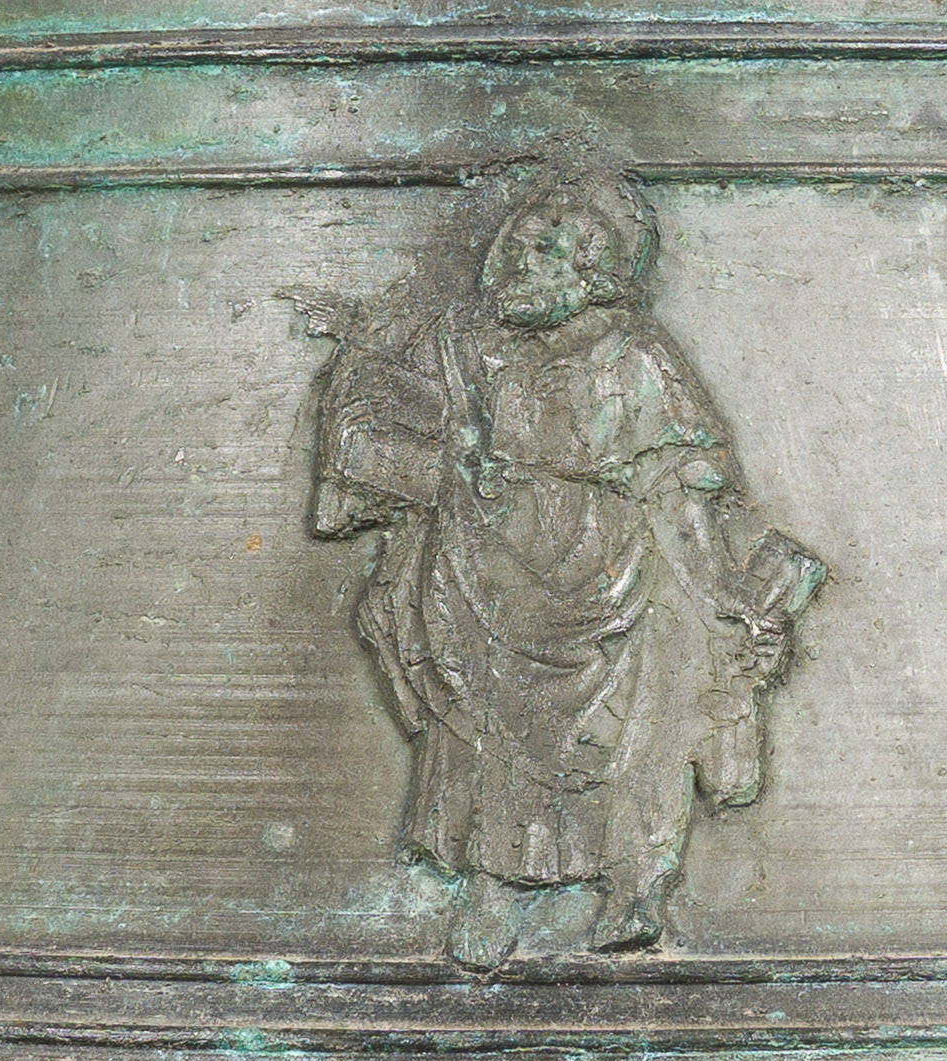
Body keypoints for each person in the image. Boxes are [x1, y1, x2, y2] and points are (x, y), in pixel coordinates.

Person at [310, 169, 821, 964]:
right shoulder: (464, 345)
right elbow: (397, 428)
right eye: (516, 239)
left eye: (546, 246)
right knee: (487, 729)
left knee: (642, 723)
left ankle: (634, 884)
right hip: (483, 572)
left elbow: (679, 479)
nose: (516, 255)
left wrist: (722, 593)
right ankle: (492, 881)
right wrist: (365, 375)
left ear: (595, 272)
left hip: (615, 574)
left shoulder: (637, 357)